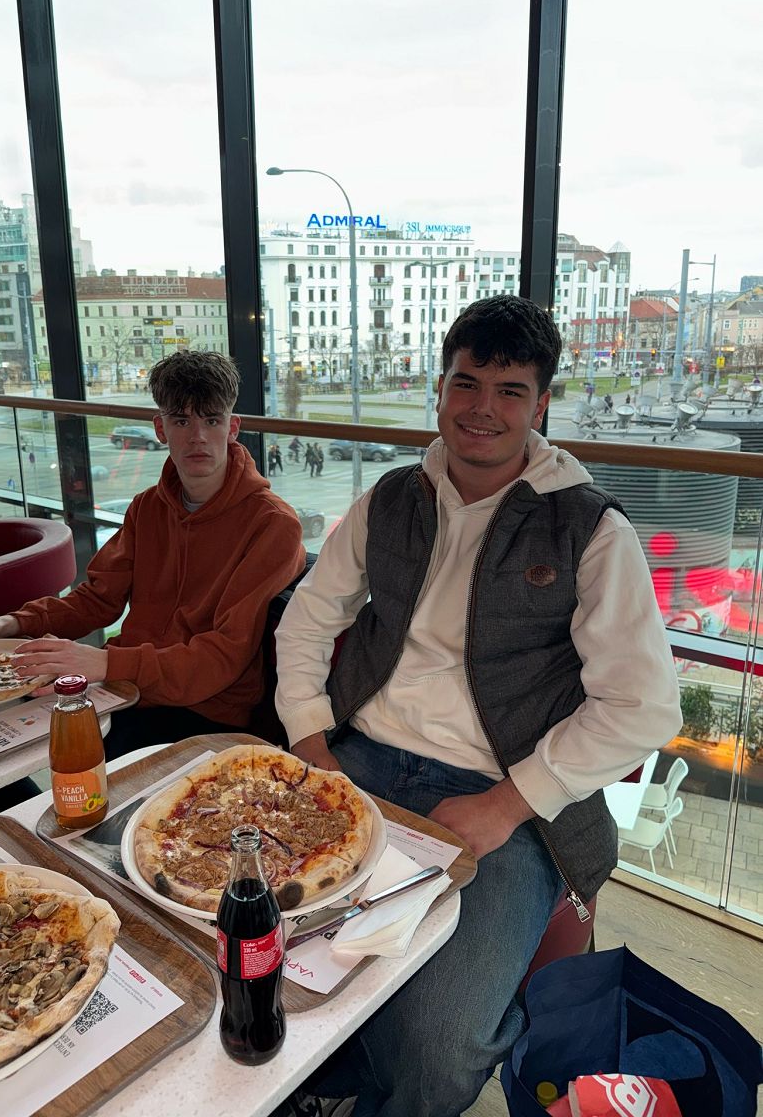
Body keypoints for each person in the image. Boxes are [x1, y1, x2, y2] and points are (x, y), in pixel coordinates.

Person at [274, 295, 681, 1117]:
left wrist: (506, 805)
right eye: (466, 383)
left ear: (541, 405)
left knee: (445, 1041)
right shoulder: (392, 500)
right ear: (440, 389)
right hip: (360, 761)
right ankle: (333, 1084)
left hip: (504, 794)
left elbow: (642, 706)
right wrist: (312, 743)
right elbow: (308, 619)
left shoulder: (590, 530)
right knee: (254, 944)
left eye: (509, 390)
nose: (482, 408)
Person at [0, 351, 307, 759]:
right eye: (181, 421)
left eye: (211, 420)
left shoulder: (272, 524)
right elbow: (97, 600)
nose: (197, 437)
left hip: (207, 711)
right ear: (160, 429)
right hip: (124, 690)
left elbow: (223, 657)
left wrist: (104, 663)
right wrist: (7, 624)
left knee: (51, 761)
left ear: (233, 428)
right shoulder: (148, 507)